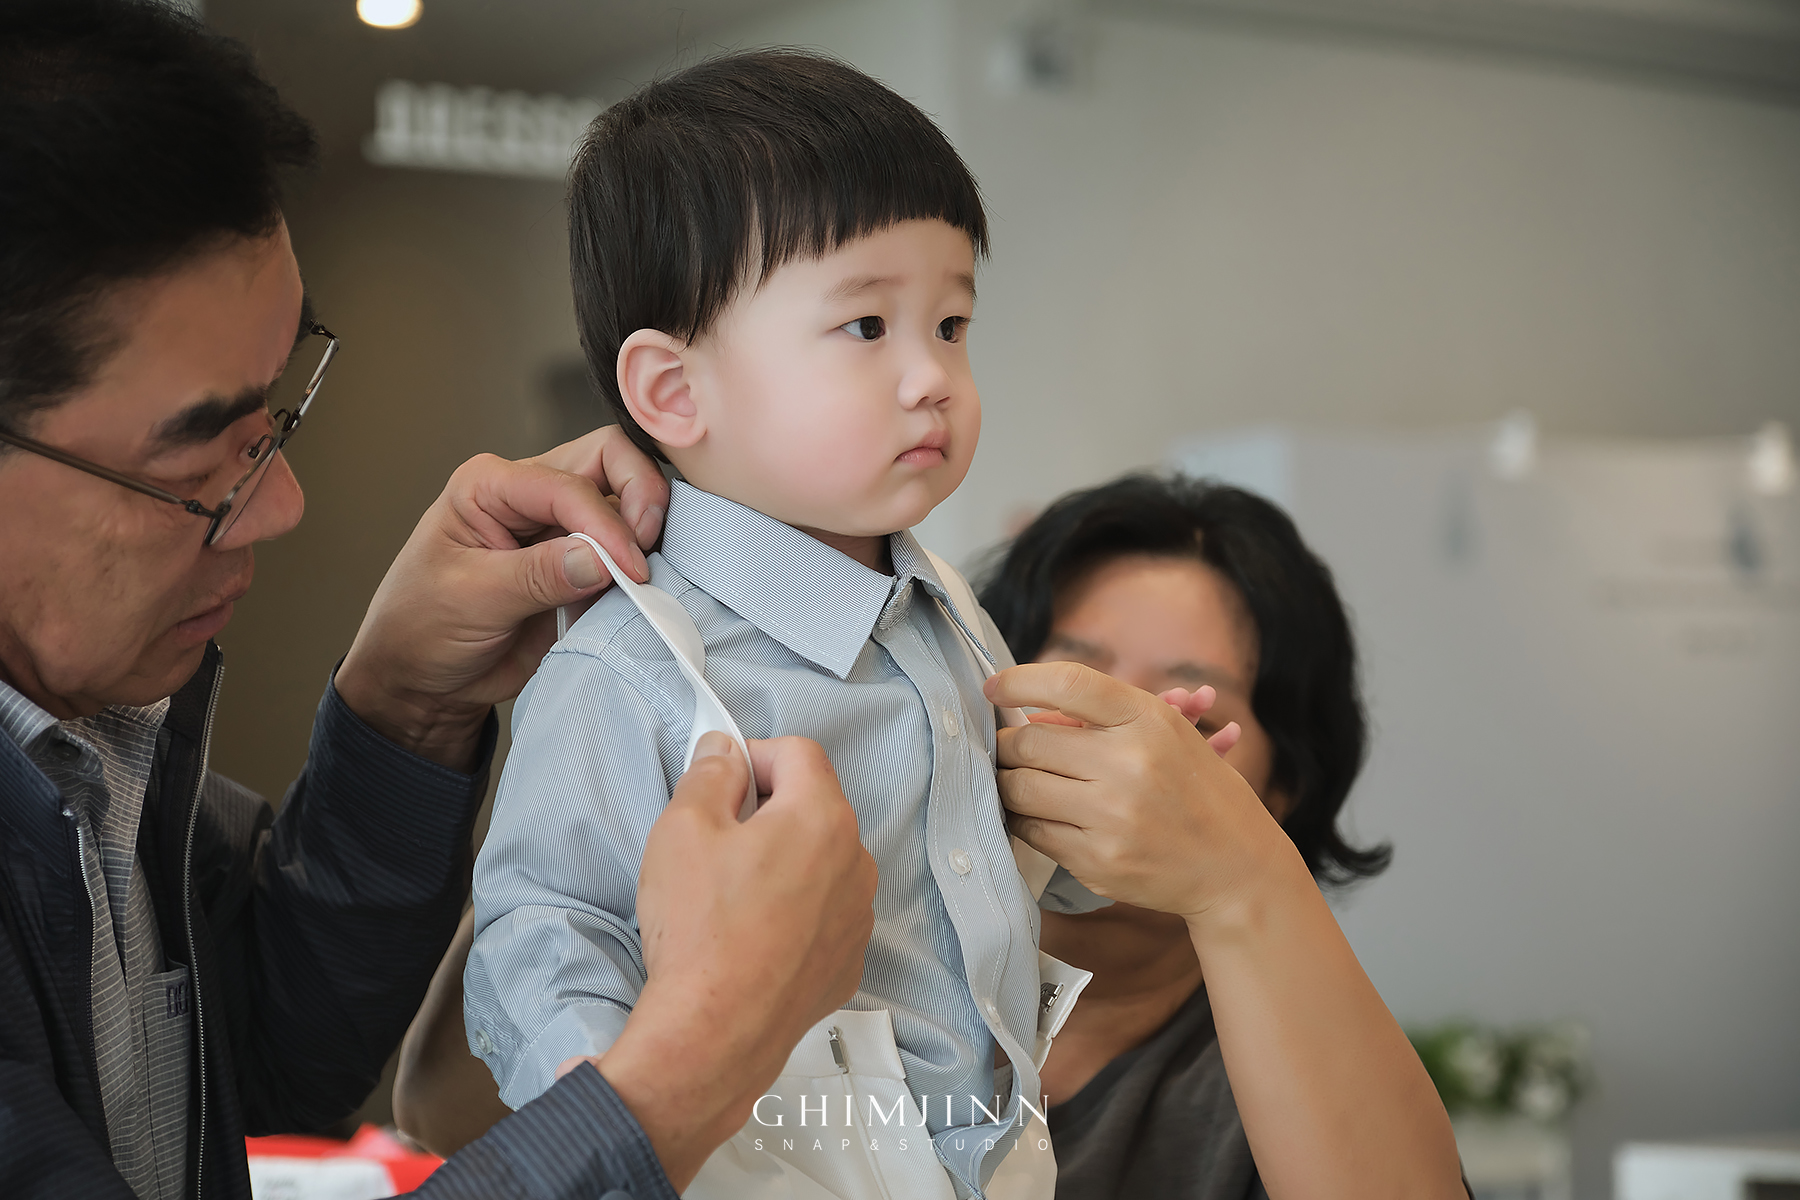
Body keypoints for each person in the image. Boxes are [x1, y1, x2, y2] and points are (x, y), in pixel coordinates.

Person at [0, 4, 876, 1198]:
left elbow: (262, 1057)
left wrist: (401, 711)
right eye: (197, 458)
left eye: (274, 414)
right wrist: (703, 1054)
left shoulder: (94, 744)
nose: (279, 504)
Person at [463, 50, 1108, 1199]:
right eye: (866, 326)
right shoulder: (631, 668)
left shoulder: (946, 615)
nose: (931, 376)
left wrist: (1100, 811)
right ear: (675, 392)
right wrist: (612, 1104)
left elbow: (998, 862)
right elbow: (543, 932)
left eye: (951, 323)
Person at [981, 474, 1467, 1199]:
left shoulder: (1286, 1091)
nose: (1126, 751)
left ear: (1284, 785)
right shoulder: (870, 974)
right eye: (1071, 681)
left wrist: (1243, 879)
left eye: (1192, 723)